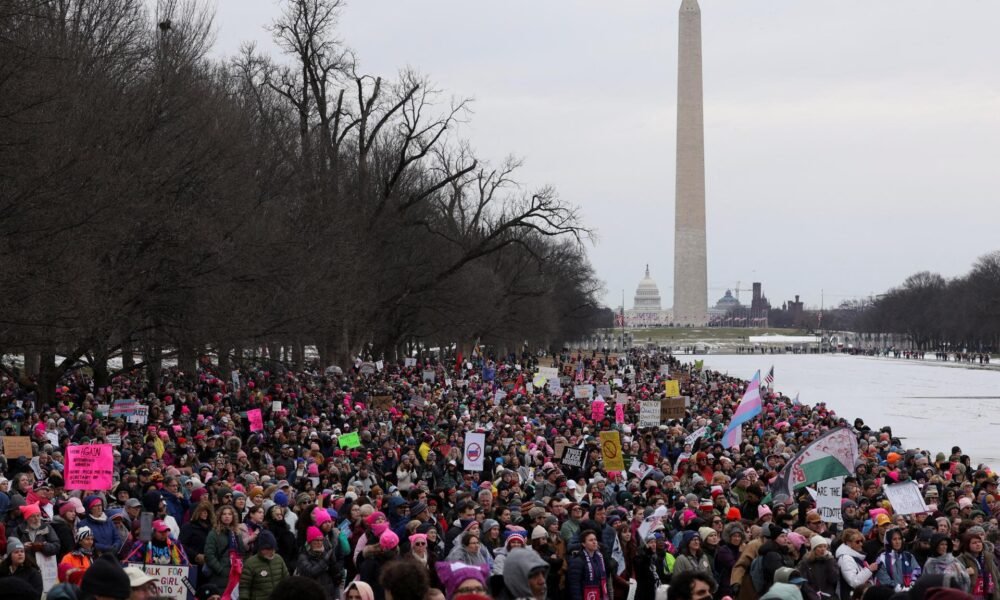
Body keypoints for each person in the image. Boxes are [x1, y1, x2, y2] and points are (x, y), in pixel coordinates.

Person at [204, 504, 248, 595]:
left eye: (229, 514)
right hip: (220, 576)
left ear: (233, 517)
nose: (227, 516)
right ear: (220, 516)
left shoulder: (236, 533)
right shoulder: (214, 533)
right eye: (224, 514)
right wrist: (220, 570)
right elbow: (209, 554)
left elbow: (242, 553)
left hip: (236, 573)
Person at [239, 529, 289, 600]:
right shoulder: (250, 563)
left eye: (273, 548)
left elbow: (287, 581)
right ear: (260, 548)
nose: (271, 552)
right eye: (268, 549)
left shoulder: (279, 559)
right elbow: (244, 588)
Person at [294, 526, 342, 599]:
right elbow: (311, 572)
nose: (319, 543)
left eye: (321, 540)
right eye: (316, 540)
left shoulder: (327, 553)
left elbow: (336, 576)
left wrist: (332, 560)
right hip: (312, 595)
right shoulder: (303, 556)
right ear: (310, 542)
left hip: (328, 594)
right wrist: (325, 559)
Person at [124, 519, 189, 566]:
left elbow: (184, 562)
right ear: (153, 532)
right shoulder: (143, 544)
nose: (164, 534)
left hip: (169, 580)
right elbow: (131, 562)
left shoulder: (174, 543)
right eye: (161, 532)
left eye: (166, 531)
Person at [567, 529, 610, 600]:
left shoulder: (600, 557)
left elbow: (604, 580)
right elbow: (574, 586)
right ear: (583, 544)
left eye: (595, 540)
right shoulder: (577, 560)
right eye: (591, 540)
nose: (594, 542)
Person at [836, 529, 878, 600]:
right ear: (848, 543)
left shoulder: (855, 556)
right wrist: (869, 570)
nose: (861, 544)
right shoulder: (846, 558)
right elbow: (854, 582)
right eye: (857, 542)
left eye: (861, 541)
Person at [957, 532, 1000, 600]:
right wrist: (965, 573)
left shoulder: (988, 557)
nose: (978, 544)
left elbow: (997, 575)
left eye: (979, 542)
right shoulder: (961, 559)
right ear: (967, 545)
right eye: (974, 543)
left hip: (990, 595)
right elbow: (956, 579)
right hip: (970, 595)